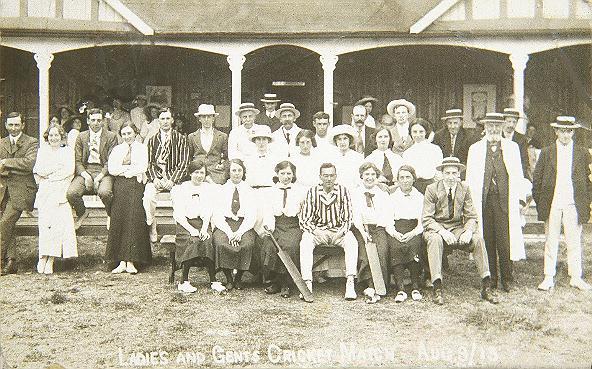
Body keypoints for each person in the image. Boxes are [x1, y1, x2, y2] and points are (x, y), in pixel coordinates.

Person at [466, 113, 530, 292]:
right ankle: (491, 277)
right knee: (487, 239)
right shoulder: (475, 149)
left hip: (505, 201)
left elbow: (518, 175)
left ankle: (507, 278)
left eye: (497, 126)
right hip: (484, 201)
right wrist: (470, 205)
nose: (493, 130)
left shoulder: (512, 148)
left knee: (505, 240)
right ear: (485, 128)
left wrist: (519, 199)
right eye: (490, 126)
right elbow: (470, 178)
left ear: (502, 127)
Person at [422, 157, 498, 305]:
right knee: (435, 240)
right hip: (436, 228)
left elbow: (471, 216)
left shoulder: (464, 188)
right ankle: (437, 287)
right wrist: (442, 232)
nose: (451, 177)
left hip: (457, 228)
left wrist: (468, 231)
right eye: (447, 173)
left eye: (454, 173)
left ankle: (486, 285)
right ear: (442, 174)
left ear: (459, 175)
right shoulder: (431, 189)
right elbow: (427, 219)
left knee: (477, 240)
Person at [533, 116, 592, 291]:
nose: (565, 135)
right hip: (553, 202)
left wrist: (586, 202)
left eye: (569, 131)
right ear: (556, 131)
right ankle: (548, 277)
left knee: (574, 241)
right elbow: (537, 179)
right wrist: (540, 200)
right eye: (562, 131)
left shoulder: (582, 153)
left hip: (573, 203)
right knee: (551, 240)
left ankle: (576, 277)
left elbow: (588, 182)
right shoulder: (547, 152)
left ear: (573, 132)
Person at [299, 163, 358, 300]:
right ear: (320, 176)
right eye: (325, 175)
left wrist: (342, 230)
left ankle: (350, 283)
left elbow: (349, 217)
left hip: (338, 232)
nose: (329, 179)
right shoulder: (312, 192)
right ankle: (307, 283)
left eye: (332, 175)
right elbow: (305, 219)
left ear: (336, 176)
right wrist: (315, 231)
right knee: (306, 240)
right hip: (318, 232)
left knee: (352, 241)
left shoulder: (343, 191)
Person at [171, 160, 226, 294]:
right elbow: (179, 215)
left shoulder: (207, 189)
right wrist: (192, 230)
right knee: (193, 241)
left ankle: (213, 280)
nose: (199, 176)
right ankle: (184, 281)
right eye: (196, 172)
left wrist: (204, 229)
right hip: (185, 224)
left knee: (207, 241)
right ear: (190, 173)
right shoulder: (182, 189)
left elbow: (208, 212)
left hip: (202, 223)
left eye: (202, 173)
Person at [106, 122, 151, 274]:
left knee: (132, 220)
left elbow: (142, 167)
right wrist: (128, 170)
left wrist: (125, 171)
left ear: (135, 133)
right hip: (120, 186)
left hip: (135, 186)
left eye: (129, 133)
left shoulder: (142, 148)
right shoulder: (118, 149)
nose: (127, 137)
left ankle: (131, 261)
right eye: (124, 134)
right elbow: (112, 169)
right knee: (120, 219)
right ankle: (121, 261)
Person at [33, 123, 77, 275]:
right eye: (51, 135)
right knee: (45, 225)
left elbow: (68, 171)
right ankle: (42, 256)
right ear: (47, 137)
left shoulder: (67, 152)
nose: (53, 138)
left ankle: (51, 258)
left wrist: (49, 174)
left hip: (60, 191)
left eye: (56, 135)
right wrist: (55, 170)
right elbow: (38, 170)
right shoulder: (42, 152)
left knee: (58, 227)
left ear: (61, 137)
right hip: (46, 191)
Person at [261, 160, 306, 297]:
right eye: (282, 173)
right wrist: (270, 228)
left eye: (289, 173)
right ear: (277, 174)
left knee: (290, 246)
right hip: (277, 224)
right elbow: (267, 211)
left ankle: (287, 283)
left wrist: (303, 227)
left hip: (293, 225)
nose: (286, 177)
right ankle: (276, 281)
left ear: (293, 175)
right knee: (270, 245)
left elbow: (304, 211)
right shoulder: (270, 191)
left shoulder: (300, 191)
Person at [144, 107, 190, 242]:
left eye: (168, 118)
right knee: (148, 197)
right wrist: (155, 178)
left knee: (179, 197)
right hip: (157, 177)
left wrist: (172, 179)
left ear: (172, 120)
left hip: (173, 178)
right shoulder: (152, 140)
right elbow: (149, 163)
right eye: (162, 119)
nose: (165, 121)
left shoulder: (181, 139)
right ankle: (152, 224)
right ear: (158, 121)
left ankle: (179, 230)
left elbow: (184, 163)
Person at [1, 111, 38, 276]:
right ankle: (12, 261)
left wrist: (5, 163)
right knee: (7, 223)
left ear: (23, 125)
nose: (14, 128)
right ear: (5, 125)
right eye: (10, 125)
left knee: (5, 222)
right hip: (3, 189)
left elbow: (29, 164)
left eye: (17, 125)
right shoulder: (1, 143)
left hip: (23, 190)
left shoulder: (32, 142)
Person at [67, 108, 117, 230]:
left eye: (99, 120)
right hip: (86, 170)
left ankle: (110, 214)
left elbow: (111, 161)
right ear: (88, 121)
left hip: (104, 171)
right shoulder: (81, 136)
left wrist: (100, 176)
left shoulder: (111, 136)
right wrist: (85, 175)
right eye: (93, 120)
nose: (96, 123)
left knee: (105, 193)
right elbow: (77, 160)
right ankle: (82, 212)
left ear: (103, 121)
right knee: (71, 193)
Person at [212, 159, 258, 290]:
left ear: (243, 172)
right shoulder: (221, 190)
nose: (237, 173)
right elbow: (218, 214)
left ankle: (239, 278)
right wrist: (229, 233)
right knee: (221, 243)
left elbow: (251, 215)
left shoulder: (249, 190)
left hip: (244, 225)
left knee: (247, 244)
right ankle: (229, 278)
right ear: (228, 172)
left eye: (239, 170)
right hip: (225, 225)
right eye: (233, 170)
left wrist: (239, 232)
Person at [351, 162, 390, 304]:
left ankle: (377, 286)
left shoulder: (382, 194)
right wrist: (364, 232)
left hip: (378, 227)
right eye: (367, 174)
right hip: (361, 228)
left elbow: (386, 214)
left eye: (373, 174)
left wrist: (377, 228)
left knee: (381, 250)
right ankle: (368, 284)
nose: (370, 177)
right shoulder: (355, 193)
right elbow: (355, 216)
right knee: (365, 252)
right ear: (361, 176)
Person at [386, 165, 424, 302]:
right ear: (397, 180)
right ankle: (400, 288)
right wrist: (394, 233)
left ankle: (415, 286)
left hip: (414, 229)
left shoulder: (420, 197)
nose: (405, 180)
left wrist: (413, 233)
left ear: (413, 179)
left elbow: (422, 221)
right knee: (395, 247)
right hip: (397, 229)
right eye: (401, 177)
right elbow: (388, 220)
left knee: (414, 246)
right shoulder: (392, 197)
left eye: (408, 177)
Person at [188, 104, 229, 184]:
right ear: (199, 119)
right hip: (198, 173)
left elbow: (227, 157)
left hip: (216, 174)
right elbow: (189, 158)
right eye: (203, 117)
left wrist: (223, 165)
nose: (206, 120)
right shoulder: (192, 137)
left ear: (213, 118)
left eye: (209, 117)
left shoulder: (222, 136)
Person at [402, 118, 443, 193]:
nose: (418, 135)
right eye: (414, 132)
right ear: (410, 133)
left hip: (431, 186)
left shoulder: (435, 149)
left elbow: (439, 172)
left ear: (426, 132)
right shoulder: (407, 153)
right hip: (413, 187)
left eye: (421, 131)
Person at [329, 124, 364, 190]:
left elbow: (360, 178)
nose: (342, 142)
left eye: (345, 139)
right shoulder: (331, 157)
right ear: (336, 141)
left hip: (353, 191)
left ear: (349, 140)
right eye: (339, 139)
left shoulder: (358, 157)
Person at [502, 108, 530, 178]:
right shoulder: (497, 136)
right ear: (503, 121)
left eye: (514, 122)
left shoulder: (521, 139)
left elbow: (524, 161)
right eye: (509, 121)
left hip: (515, 174)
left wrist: (519, 177)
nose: (511, 125)